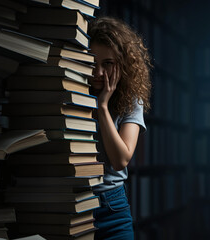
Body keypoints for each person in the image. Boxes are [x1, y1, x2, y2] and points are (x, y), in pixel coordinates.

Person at [87, 16, 152, 240]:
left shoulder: (131, 99)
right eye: (92, 63)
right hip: (72, 204)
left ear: (122, 64)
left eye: (107, 64)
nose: (98, 73)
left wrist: (103, 106)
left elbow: (121, 159)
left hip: (111, 206)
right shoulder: (72, 89)